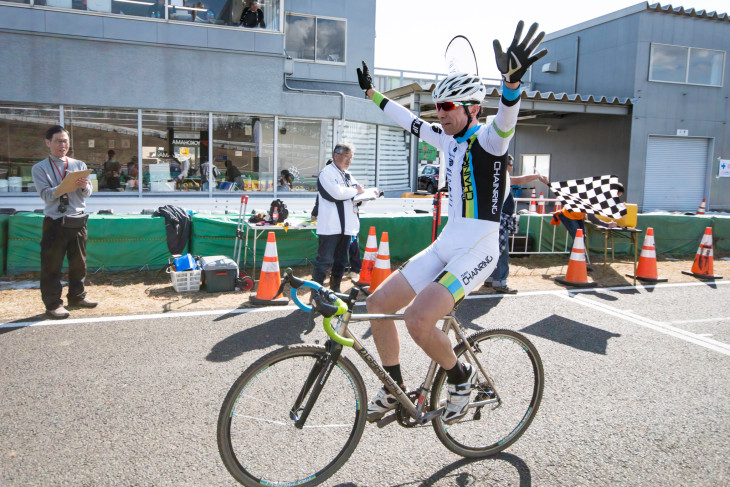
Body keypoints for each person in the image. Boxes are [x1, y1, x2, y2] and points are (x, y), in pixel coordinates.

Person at [356, 21, 547, 424]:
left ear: (472, 108)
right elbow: (407, 120)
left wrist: (511, 84)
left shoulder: (490, 141)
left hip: (479, 247)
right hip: (447, 241)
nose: (440, 114)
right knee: (377, 304)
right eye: (437, 107)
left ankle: (460, 378)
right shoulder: (445, 138)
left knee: (418, 319)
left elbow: (507, 119)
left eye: (448, 107)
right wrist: (371, 94)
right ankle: (394, 388)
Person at [31, 125, 98, 319]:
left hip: (77, 220)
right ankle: (53, 304)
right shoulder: (40, 168)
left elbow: (88, 193)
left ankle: (77, 296)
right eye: (59, 141)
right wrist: (64, 187)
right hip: (55, 222)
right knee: (52, 266)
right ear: (48, 143)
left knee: (79, 264)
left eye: (66, 141)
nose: (63, 145)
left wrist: (84, 187)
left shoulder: (79, 165)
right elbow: (45, 195)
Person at [313, 143, 375, 293]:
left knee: (341, 261)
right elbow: (336, 194)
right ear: (336, 156)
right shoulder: (326, 173)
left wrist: (367, 195)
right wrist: (355, 190)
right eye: (346, 156)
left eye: (351, 157)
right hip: (331, 226)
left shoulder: (347, 174)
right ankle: (315, 293)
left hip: (347, 226)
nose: (349, 160)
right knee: (324, 261)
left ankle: (335, 290)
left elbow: (357, 196)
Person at [483, 155, 549, 294]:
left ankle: (490, 279)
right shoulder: (501, 176)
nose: (512, 167)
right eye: (511, 164)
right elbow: (520, 179)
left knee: (493, 250)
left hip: (493, 219)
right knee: (502, 251)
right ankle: (500, 282)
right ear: (506, 165)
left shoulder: (492, 176)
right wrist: (537, 176)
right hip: (499, 220)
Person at [550, 183, 624, 266]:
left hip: (577, 217)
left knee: (581, 238)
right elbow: (592, 219)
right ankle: (575, 263)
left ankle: (577, 262)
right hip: (568, 215)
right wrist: (607, 225)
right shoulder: (595, 197)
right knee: (579, 238)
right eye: (617, 196)